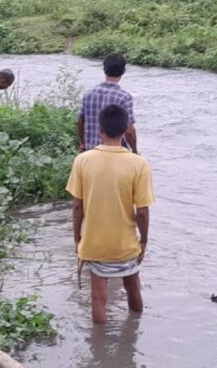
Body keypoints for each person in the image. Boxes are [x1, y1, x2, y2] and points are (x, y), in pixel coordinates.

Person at [66, 104, 154, 324]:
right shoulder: (139, 164)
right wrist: (143, 241)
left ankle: (100, 349)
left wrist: (78, 239)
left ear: (99, 130)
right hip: (126, 245)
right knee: (133, 288)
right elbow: (142, 211)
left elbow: (78, 206)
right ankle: (134, 333)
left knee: (98, 297)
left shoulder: (83, 160)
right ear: (126, 129)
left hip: (95, 244)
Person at [77, 53, 137, 154]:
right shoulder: (124, 97)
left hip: (91, 151)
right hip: (116, 154)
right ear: (123, 71)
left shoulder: (89, 94)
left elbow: (79, 121)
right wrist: (135, 151)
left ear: (104, 69)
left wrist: (82, 143)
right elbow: (129, 131)